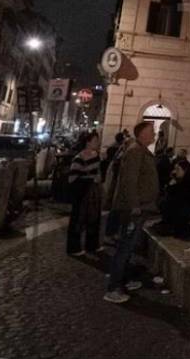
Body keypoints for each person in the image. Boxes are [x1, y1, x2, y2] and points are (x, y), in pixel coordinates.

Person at [104, 121, 160, 304]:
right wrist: (134, 204)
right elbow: (129, 180)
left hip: (139, 206)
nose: (154, 134)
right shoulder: (136, 151)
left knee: (128, 246)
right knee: (125, 247)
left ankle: (124, 280)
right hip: (132, 208)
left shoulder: (140, 150)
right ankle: (114, 287)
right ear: (142, 133)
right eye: (152, 131)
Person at [67, 131, 103, 256]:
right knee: (78, 219)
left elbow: (98, 172)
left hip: (93, 191)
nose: (97, 143)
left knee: (94, 218)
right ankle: (74, 247)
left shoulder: (96, 155)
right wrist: (89, 179)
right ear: (88, 142)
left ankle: (92, 245)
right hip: (82, 192)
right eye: (95, 141)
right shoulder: (79, 158)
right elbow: (72, 178)